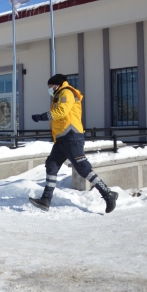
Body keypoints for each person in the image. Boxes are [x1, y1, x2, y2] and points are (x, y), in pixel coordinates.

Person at [29, 73, 118, 213]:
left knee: (83, 169)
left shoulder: (66, 92)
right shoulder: (59, 95)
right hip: (61, 139)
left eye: (50, 86)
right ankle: (46, 200)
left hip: (72, 137)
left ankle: (108, 194)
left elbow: (61, 112)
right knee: (51, 166)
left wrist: (41, 117)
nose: (49, 90)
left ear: (57, 85)